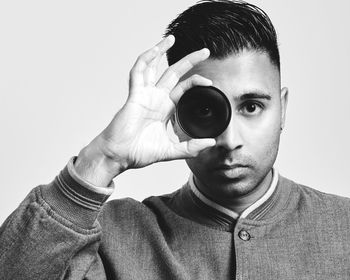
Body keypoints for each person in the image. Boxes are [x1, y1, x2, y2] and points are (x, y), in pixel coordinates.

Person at [1, 0, 350, 279]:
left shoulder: (344, 227)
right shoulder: (111, 236)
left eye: (252, 106)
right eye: (205, 111)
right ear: (175, 116)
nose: (229, 140)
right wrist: (103, 158)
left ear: (283, 109)